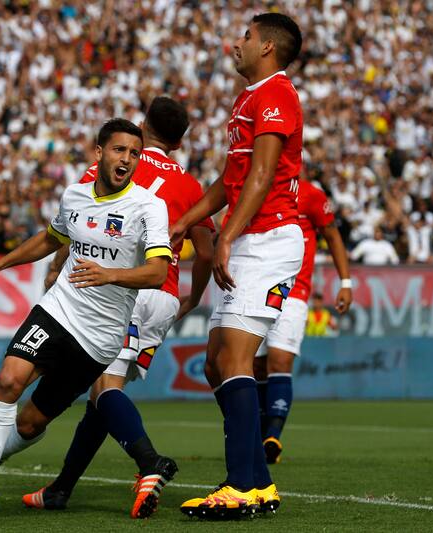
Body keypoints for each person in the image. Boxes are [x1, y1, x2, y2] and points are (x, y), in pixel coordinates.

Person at [5, 96, 215, 518]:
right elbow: (206, 252)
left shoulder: (116, 162)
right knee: (101, 395)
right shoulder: (191, 186)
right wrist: (192, 297)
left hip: (121, 288)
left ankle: (149, 462)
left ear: (143, 126)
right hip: (164, 293)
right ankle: (61, 489)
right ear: (177, 143)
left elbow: (86, 221)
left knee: (103, 389)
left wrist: (57, 267)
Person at [0, 119, 172, 519]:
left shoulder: (148, 206)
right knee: (8, 379)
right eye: (120, 150)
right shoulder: (74, 196)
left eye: (135, 153)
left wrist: (112, 275)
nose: (127, 159)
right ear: (100, 152)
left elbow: (158, 271)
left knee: (32, 423)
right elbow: (52, 238)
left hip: (100, 338)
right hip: (59, 309)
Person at [170, 12, 304, 519]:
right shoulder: (248, 97)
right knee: (214, 363)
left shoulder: (275, 94)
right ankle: (261, 484)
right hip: (251, 238)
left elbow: (264, 174)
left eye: (246, 36)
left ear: (267, 46)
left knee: (234, 361)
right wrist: (187, 221)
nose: (236, 43)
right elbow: (232, 179)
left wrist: (224, 235)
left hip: (268, 241)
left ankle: (240, 485)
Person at [253, 180, 352, 465]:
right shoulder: (259, 186)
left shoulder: (310, 195)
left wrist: (345, 282)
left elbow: (332, 236)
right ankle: (258, 436)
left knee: (280, 362)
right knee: (255, 366)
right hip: (255, 288)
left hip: (293, 292)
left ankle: (273, 436)